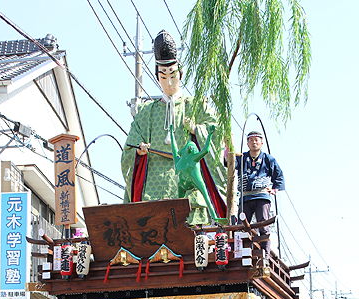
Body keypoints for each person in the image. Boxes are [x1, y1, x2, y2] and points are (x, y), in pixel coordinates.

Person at [121, 30, 228, 225]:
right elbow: (130, 146)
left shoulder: (196, 105)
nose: (169, 82)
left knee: (190, 227)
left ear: (181, 74)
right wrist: (138, 150)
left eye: (173, 75)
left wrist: (197, 130)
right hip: (152, 187)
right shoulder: (145, 112)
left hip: (188, 179)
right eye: (163, 77)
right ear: (157, 78)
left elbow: (217, 131)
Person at [235, 131, 285, 258]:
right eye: (251, 140)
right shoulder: (241, 158)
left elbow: (279, 175)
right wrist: (227, 150)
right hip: (245, 196)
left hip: (261, 196)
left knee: (263, 224)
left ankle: (265, 255)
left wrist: (274, 189)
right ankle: (242, 252)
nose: (254, 142)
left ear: (261, 143)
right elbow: (229, 163)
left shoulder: (268, 159)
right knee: (241, 225)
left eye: (256, 140)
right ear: (247, 143)